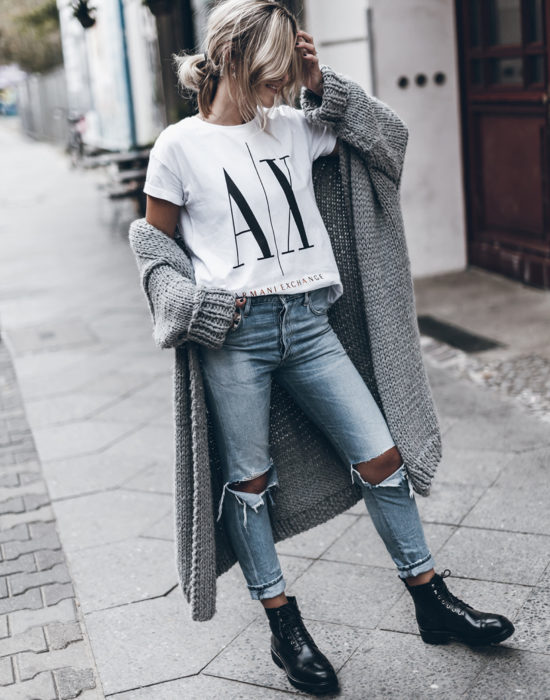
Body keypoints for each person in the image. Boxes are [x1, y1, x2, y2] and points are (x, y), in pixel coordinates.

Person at [134, 0, 515, 695]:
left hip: (312, 325)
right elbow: (155, 248)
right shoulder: (178, 146)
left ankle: (430, 598)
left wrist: (323, 84)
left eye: (286, 74)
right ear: (234, 57)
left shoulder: (295, 125)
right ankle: (284, 626)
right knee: (248, 485)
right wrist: (190, 304)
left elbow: (388, 141)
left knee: (382, 455)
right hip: (235, 335)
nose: (278, 88)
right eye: (272, 72)